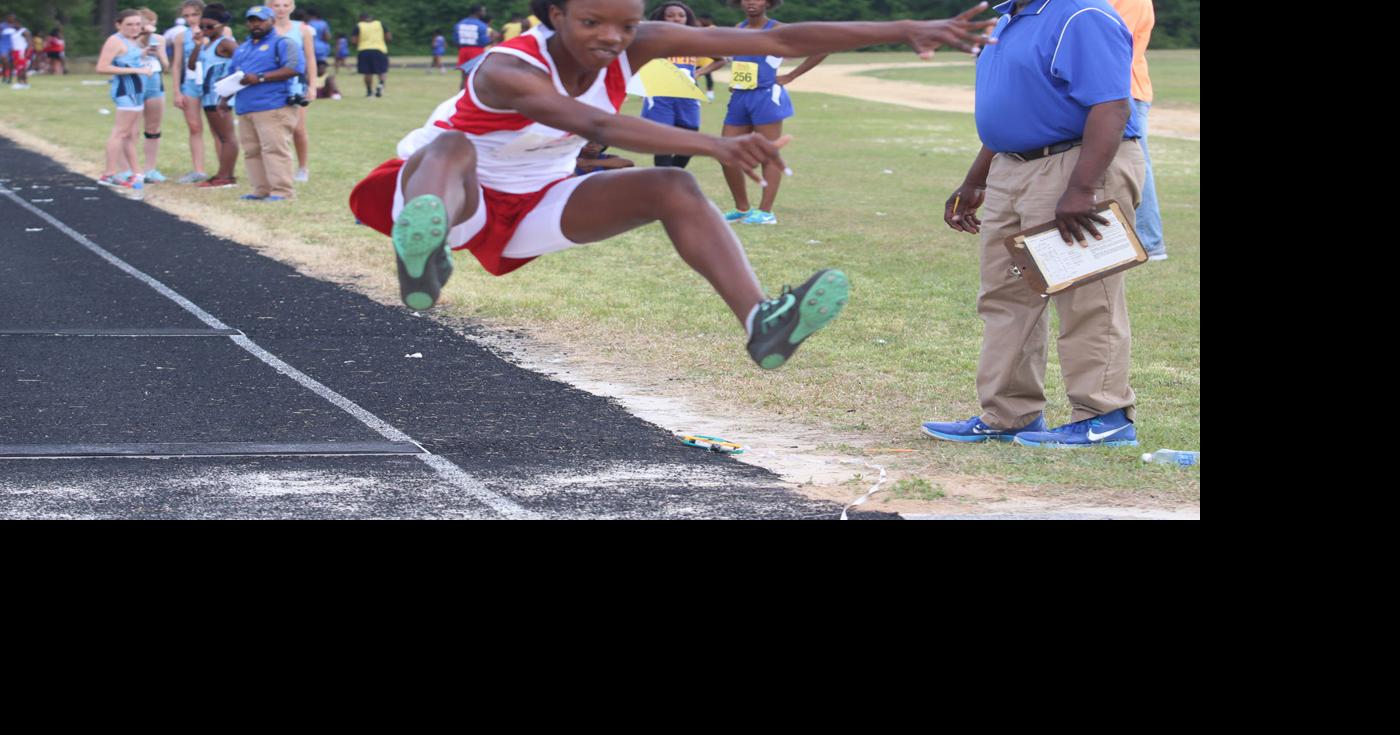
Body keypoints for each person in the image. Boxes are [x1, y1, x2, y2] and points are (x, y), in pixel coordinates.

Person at [348, 0, 992, 370]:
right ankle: (423, 258)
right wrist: (714, 143)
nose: (612, 38)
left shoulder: (639, 42)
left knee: (673, 190)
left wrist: (902, 30)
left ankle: (762, 322)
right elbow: (593, 121)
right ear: (552, 15)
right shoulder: (506, 66)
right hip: (450, 192)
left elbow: (773, 38)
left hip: (535, 207)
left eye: (626, 25)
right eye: (592, 23)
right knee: (451, 144)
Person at [922, 0, 1145, 448]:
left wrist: (1081, 189)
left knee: (1086, 297)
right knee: (1006, 296)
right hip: (1011, 166)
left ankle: (1105, 416)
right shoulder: (1007, 18)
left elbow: (1112, 106)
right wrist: (975, 179)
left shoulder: (1082, 15)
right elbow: (1013, 108)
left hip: (1074, 163)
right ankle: (1010, 414)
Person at [718, 0, 828, 226]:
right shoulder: (738, 28)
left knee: (768, 152)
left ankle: (766, 212)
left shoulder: (778, 30)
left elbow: (822, 47)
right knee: (726, 153)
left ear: (768, 2)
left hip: (766, 96)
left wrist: (791, 76)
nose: (751, 2)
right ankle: (742, 209)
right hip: (739, 97)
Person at [220, 5, 302, 201]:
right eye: (252, 20)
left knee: (274, 149)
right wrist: (224, 99)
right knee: (252, 151)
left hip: (273, 104)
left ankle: (282, 192)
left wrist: (261, 77)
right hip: (246, 106)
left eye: (261, 20)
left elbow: (293, 68)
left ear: (272, 21)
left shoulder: (282, 43)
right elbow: (233, 76)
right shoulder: (243, 49)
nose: (256, 24)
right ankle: (260, 190)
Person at [1108, 0, 1165, 261]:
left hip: (1126, 91)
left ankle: (1149, 243)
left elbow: (1113, 43)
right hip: (1112, 90)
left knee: (1136, 166)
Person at [643, 2, 724, 169]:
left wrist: (699, 73)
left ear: (687, 19)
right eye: (670, 15)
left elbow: (721, 60)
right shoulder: (654, 41)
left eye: (681, 15)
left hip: (687, 96)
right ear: (662, 18)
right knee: (663, 142)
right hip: (660, 95)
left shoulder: (693, 41)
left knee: (691, 139)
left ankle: (673, 174)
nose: (676, 19)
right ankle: (665, 183)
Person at [94, 9, 157, 190]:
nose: (134, 28)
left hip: (137, 91)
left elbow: (129, 59)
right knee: (120, 133)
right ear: (118, 25)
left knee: (131, 135)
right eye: (129, 24)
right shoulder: (115, 41)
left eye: (137, 24)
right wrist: (136, 70)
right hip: (126, 91)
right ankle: (109, 173)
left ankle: (136, 172)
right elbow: (102, 67)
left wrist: (143, 55)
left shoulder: (133, 41)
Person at [192, 3, 240, 189]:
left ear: (222, 26)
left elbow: (245, 61)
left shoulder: (225, 42)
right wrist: (197, 46)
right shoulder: (208, 44)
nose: (205, 29)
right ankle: (223, 174)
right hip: (207, 95)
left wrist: (229, 86)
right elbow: (191, 65)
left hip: (220, 96)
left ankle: (226, 177)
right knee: (221, 136)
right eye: (202, 26)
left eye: (209, 26)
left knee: (227, 137)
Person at [270, 1, 314, 183]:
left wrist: (312, 87)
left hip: (295, 83)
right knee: (274, 129)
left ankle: (303, 167)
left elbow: (310, 59)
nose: (281, 9)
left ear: (292, 7)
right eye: (276, 5)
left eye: (285, 5)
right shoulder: (265, 29)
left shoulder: (302, 30)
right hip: (271, 83)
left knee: (298, 128)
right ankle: (277, 169)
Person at [171, 1, 213, 183]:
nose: (190, 19)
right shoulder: (181, 36)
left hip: (211, 82)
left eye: (194, 15)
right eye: (186, 16)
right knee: (194, 127)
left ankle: (224, 171)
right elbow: (177, 64)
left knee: (218, 127)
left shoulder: (218, 31)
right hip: (190, 83)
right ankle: (198, 169)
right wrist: (176, 91)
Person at [135, 8, 170, 182]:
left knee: (153, 127)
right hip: (134, 82)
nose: (149, 28)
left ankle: (150, 169)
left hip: (154, 82)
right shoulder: (128, 39)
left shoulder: (159, 40)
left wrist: (158, 56)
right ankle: (130, 168)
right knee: (131, 128)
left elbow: (166, 66)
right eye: (146, 24)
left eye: (152, 24)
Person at [454, 6, 497, 84]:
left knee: (464, 78)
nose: (484, 13)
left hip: (463, 50)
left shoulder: (460, 23)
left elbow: (456, 40)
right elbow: (484, 42)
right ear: (478, 12)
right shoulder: (481, 25)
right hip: (476, 51)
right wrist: (493, 39)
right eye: (483, 11)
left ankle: (462, 93)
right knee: (475, 76)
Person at [352, 11, 390, 97]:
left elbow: (354, 40)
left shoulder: (359, 25)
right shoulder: (380, 24)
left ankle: (369, 91)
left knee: (367, 72)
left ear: (361, 18)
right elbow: (388, 36)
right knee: (382, 71)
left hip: (364, 50)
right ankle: (380, 84)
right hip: (379, 49)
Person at [3, 15, 31, 89]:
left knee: (21, 68)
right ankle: (22, 83)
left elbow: (29, 43)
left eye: (14, 23)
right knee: (18, 68)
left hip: (21, 51)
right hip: (15, 52)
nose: (13, 25)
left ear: (18, 23)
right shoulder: (14, 32)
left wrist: (27, 52)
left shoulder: (24, 31)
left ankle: (22, 83)